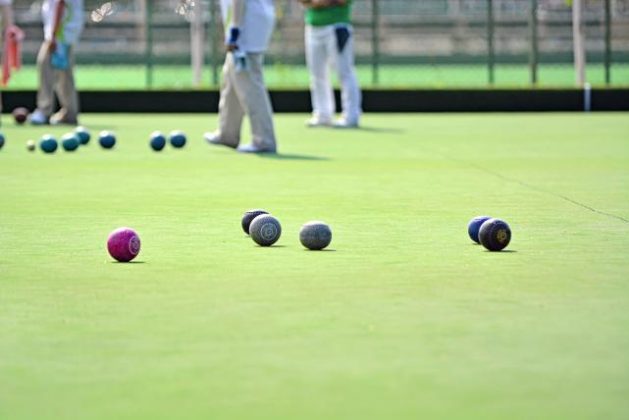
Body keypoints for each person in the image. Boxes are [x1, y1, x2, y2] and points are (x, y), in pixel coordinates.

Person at [204, 0, 277, 154]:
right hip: (254, 21)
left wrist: (235, 29)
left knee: (249, 84)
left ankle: (264, 141)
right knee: (231, 79)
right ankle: (227, 134)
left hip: (245, 27)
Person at [300, 0, 361, 128]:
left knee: (344, 72)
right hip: (313, 27)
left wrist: (320, 2)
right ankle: (323, 114)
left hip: (336, 27)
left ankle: (351, 116)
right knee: (317, 74)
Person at [30, 0, 84, 125]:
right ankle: (70, 113)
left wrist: (53, 34)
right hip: (68, 31)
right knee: (65, 73)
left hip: (60, 32)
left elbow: (60, 3)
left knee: (45, 66)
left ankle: (44, 110)